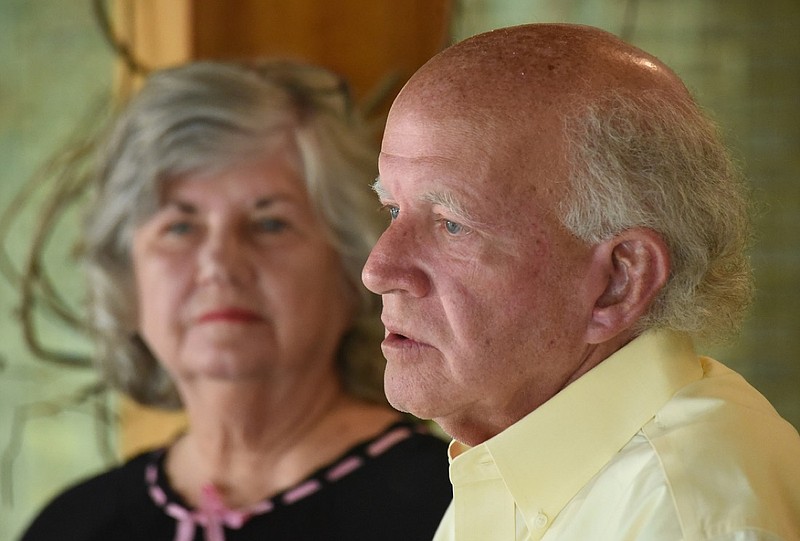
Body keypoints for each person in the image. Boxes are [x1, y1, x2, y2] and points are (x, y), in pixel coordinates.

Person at [361, 23, 800, 540]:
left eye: (452, 224)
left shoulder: (680, 511)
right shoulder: (518, 457)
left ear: (619, 281)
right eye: (392, 208)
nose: (379, 269)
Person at [21, 59, 451, 541]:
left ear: (354, 267)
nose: (220, 264)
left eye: (270, 224)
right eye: (180, 227)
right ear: (126, 278)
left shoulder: (451, 510)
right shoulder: (72, 526)